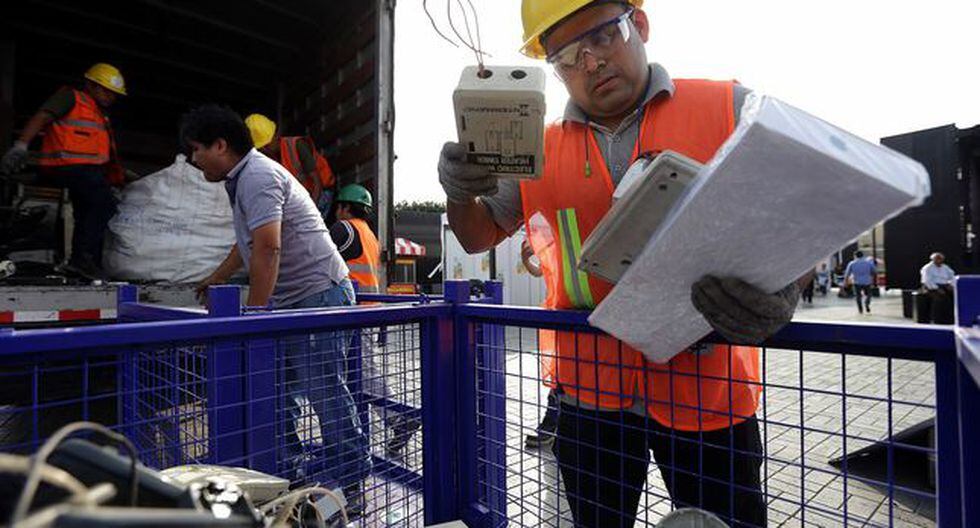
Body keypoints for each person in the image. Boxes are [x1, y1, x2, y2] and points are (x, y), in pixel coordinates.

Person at [438, 1, 806, 525]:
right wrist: (457, 194)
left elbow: (804, 205)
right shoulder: (535, 150)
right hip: (590, 393)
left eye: (603, 37)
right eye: (565, 57)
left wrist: (786, 279)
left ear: (641, 25)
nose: (588, 63)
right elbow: (478, 235)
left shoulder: (728, 107)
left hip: (707, 389)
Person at [182, 105, 370, 510]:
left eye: (197, 149)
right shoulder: (241, 179)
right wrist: (216, 278)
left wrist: (255, 315)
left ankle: (351, 482)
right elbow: (248, 244)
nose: (193, 159)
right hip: (292, 300)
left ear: (220, 145)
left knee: (324, 391)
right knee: (280, 392)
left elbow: (269, 246)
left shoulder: (258, 176)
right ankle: (292, 473)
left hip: (319, 294)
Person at [0, 63, 129, 280]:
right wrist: (22, 144)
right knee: (102, 203)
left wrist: (119, 175)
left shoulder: (99, 114)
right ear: (90, 85)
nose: (110, 97)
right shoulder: (71, 98)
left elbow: (100, 151)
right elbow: (43, 116)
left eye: (114, 94)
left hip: (86, 171)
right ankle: (82, 259)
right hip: (69, 166)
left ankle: (85, 263)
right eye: (106, 90)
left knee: (87, 210)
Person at [330, 183, 421, 458]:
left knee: (363, 373)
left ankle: (397, 418)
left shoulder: (343, 229)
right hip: (368, 310)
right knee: (357, 374)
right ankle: (388, 422)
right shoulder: (369, 233)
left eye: (337, 207)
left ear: (344, 207)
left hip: (353, 312)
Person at [244, 113, 336, 217]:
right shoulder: (270, 160)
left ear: (275, 136)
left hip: (321, 192)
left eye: (266, 146)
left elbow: (317, 183)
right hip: (301, 197)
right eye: (261, 149)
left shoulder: (297, 145)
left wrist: (309, 213)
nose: (265, 151)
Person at [519, 237, 560, 449]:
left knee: (561, 378)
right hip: (560, 324)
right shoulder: (557, 250)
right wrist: (526, 260)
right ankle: (551, 426)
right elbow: (539, 271)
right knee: (558, 377)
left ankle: (551, 426)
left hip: (571, 321)